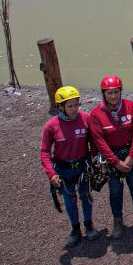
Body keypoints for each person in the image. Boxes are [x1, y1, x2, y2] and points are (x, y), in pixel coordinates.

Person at [88, 75, 133, 238]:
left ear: (120, 91)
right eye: (109, 93)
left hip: (130, 154)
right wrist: (115, 162)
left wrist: (132, 156)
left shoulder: (129, 106)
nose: (113, 96)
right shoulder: (96, 115)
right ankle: (118, 220)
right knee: (115, 191)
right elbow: (99, 141)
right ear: (104, 94)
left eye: (116, 92)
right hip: (111, 158)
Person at [40, 86, 99, 248]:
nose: (74, 109)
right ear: (61, 107)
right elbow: (45, 152)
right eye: (70, 106)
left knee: (85, 196)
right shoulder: (51, 126)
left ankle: (88, 224)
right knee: (69, 200)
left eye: (76, 105)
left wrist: (96, 161)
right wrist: (51, 174)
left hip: (82, 167)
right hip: (63, 169)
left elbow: (94, 142)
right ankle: (75, 229)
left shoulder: (86, 119)